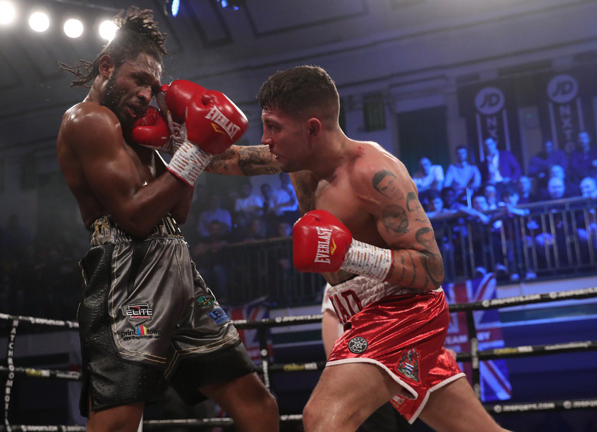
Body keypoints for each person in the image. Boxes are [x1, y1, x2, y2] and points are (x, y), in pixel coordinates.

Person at [200, 66, 508, 431]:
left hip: (402, 309)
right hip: (349, 304)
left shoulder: (375, 174)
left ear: (313, 128)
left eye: (274, 127)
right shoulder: (295, 159)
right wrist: (172, 142)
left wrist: (351, 253)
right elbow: (232, 159)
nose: (265, 139)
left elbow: (430, 268)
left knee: (323, 419)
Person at [56, 8, 277, 432]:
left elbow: (175, 213)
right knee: (118, 423)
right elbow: (136, 219)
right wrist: (195, 151)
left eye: (154, 86)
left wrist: (181, 145)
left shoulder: (141, 130)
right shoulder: (88, 120)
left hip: (176, 266)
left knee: (258, 406)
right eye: (138, 79)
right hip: (125, 271)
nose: (146, 94)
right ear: (107, 66)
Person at [321, 283, 412, 432]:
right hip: (359, 367)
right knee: (381, 426)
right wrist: (335, 369)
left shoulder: (390, 272)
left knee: (402, 424)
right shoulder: (341, 272)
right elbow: (331, 317)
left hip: (392, 368)